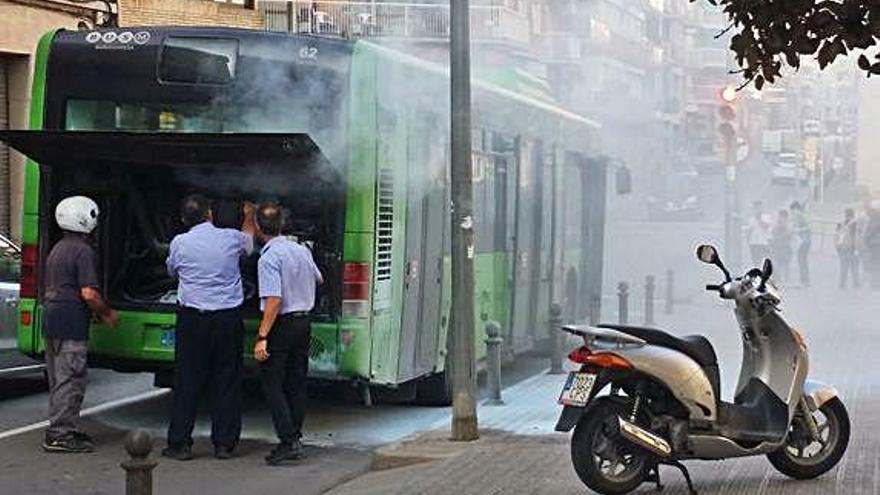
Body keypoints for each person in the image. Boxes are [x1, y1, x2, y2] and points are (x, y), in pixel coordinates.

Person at [162, 195, 255, 461]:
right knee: (226, 380)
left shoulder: (179, 243)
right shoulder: (231, 238)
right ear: (210, 214)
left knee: (187, 380)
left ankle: (179, 444)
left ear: (183, 219)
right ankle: (224, 444)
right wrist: (249, 215)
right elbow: (249, 245)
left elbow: (173, 272)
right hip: (227, 319)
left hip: (193, 320)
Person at [42, 196, 119, 453]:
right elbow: (89, 293)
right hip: (71, 323)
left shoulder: (58, 248)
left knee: (58, 378)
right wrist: (106, 313)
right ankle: (60, 434)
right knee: (71, 378)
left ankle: (63, 428)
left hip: (53, 320)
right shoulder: (83, 251)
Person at [252, 203, 323, 466]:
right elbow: (319, 279)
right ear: (281, 225)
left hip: (282, 325)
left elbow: (274, 300)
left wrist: (262, 336)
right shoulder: (300, 250)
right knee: (296, 381)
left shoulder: (269, 257)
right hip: (304, 322)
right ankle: (296, 436)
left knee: (272, 382)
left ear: (258, 227)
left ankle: (287, 440)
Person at [836, 208, 860, 289]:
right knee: (854, 269)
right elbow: (856, 238)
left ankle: (842, 284)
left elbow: (836, 235)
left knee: (843, 268)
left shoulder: (840, 223)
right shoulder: (855, 224)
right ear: (853, 215)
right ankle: (856, 285)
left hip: (843, 247)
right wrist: (857, 249)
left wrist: (837, 247)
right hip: (852, 249)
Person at [790, 201, 812, 287]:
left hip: (804, 241)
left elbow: (808, 227)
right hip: (804, 241)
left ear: (795, 208)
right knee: (802, 260)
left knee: (802, 260)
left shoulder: (801, 215)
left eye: (792, 210)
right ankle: (804, 279)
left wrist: (797, 230)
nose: (792, 212)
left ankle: (804, 280)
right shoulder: (801, 215)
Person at [745, 201, 771, 266]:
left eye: (759, 207)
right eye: (756, 208)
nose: (757, 209)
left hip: (763, 243)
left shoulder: (766, 217)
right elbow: (749, 230)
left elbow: (766, 227)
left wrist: (759, 219)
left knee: (764, 261)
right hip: (754, 243)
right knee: (755, 261)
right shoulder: (751, 219)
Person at [771, 210, 793, 284]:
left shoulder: (789, 225)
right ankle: (778, 279)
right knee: (777, 263)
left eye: (782, 216)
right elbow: (773, 232)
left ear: (785, 217)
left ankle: (786, 280)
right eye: (780, 215)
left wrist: (779, 236)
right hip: (777, 247)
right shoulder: (777, 224)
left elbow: (788, 234)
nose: (780, 217)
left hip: (785, 247)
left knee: (785, 264)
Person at [862, 201, 880, 290]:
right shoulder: (874, 216)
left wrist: (866, 238)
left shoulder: (875, 217)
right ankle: (875, 283)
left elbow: (873, 228)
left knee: (875, 263)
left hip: (875, 244)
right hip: (875, 244)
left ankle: (875, 284)